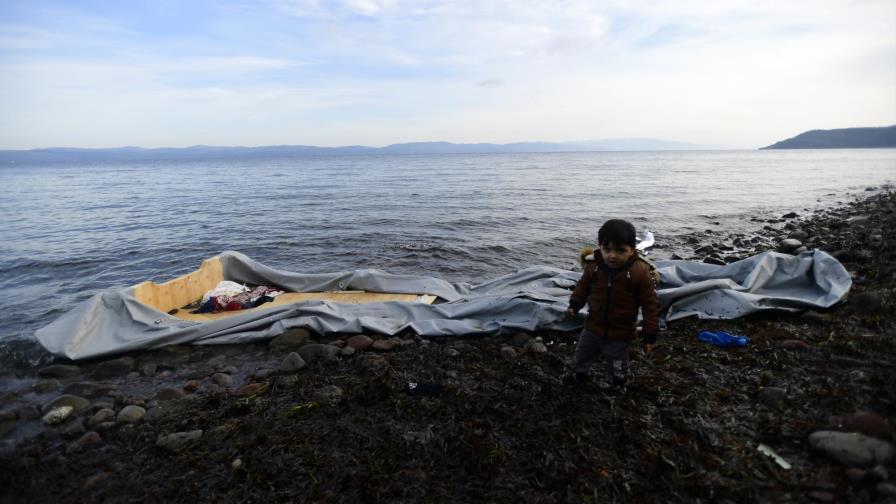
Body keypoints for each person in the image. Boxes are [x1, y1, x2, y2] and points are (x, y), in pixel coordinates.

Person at [562, 219, 660, 393]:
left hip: (620, 332)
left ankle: (619, 383)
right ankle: (580, 374)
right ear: (600, 246)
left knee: (618, 362)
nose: (612, 255)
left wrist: (649, 336)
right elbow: (583, 287)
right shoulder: (594, 266)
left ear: (632, 250)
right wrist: (574, 306)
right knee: (582, 354)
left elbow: (650, 305)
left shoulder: (640, 272)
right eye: (607, 249)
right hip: (592, 326)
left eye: (620, 250)